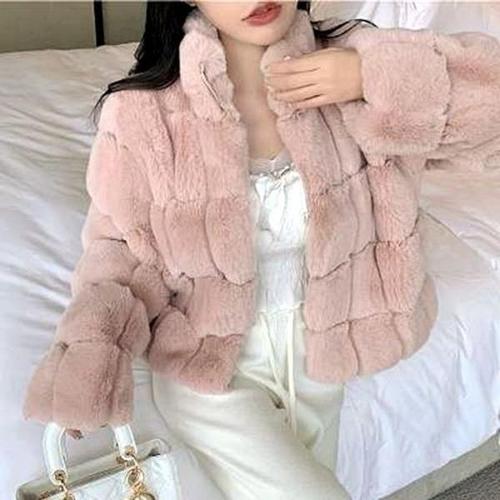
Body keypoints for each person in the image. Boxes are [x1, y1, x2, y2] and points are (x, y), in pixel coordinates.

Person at [22, 1, 500, 499]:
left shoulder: (353, 59)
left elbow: (489, 112)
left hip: (322, 354)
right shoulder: (143, 112)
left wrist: (373, 78)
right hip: (207, 366)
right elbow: (120, 248)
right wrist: (89, 356)